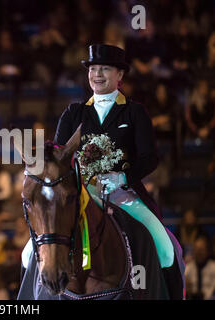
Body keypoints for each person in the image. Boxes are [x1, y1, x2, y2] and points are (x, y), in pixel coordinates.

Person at [53, 44, 175, 271]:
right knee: (29, 251)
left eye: (105, 69)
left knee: (166, 249)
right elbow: (59, 158)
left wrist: (122, 178)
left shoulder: (134, 112)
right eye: (93, 68)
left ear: (119, 75)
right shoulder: (73, 113)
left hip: (123, 194)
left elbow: (150, 158)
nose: (97, 74)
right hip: (80, 195)